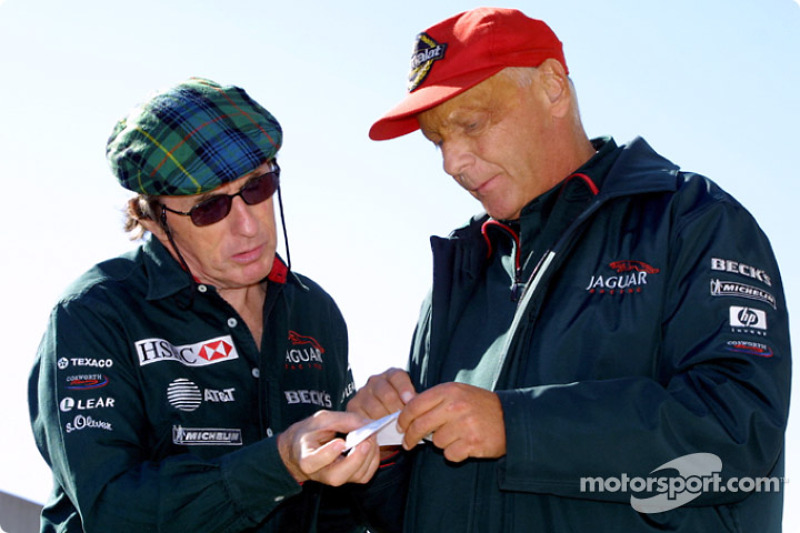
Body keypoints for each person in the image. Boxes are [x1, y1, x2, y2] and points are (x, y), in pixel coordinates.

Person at [348, 7, 791, 532]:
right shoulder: (464, 270)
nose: (453, 162)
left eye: (471, 124)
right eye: (438, 140)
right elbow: (420, 508)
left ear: (554, 87)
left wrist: (517, 425)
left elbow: (739, 431)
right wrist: (384, 447)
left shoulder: (692, 220)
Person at [28, 78, 382, 532]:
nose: (248, 226)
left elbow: (330, 512)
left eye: (258, 186)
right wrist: (280, 463)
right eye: (210, 208)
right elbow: (113, 510)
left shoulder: (315, 313)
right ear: (152, 218)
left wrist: (383, 443)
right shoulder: (95, 313)